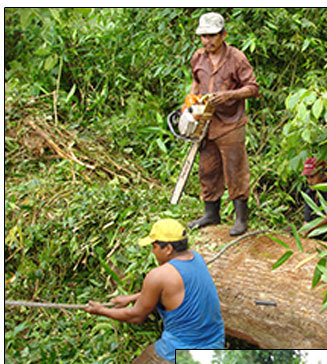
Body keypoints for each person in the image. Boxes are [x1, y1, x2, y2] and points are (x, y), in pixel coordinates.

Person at [85, 219, 224, 363]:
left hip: (182, 353)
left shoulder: (158, 275)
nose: (152, 252)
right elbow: (173, 290)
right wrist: (132, 297)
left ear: (168, 249)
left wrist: (101, 310)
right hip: (215, 345)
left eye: (154, 247)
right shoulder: (196, 258)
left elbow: (136, 317)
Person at [185, 12, 260, 236]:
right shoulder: (198, 57)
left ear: (223, 35)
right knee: (208, 169)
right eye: (203, 36)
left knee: (235, 169)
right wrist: (191, 100)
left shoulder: (236, 58)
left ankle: (241, 218)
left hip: (231, 123)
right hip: (206, 123)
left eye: (212, 36)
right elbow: (196, 82)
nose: (207, 41)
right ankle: (211, 213)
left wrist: (229, 95)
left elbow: (253, 88)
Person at [300, 157, 327, 242]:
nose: (309, 181)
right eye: (307, 177)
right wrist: (305, 230)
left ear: (322, 174)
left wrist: (309, 229)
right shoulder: (309, 193)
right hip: (313, 237)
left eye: (312, 177)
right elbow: (307, 218)